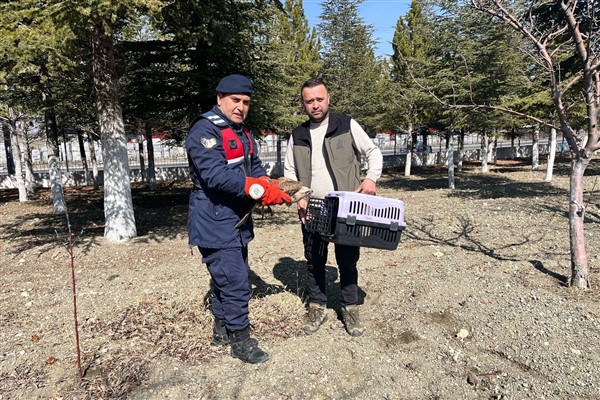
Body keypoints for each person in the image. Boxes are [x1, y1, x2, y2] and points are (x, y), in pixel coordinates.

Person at [186, 74, 291, 364]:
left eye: (245, 102)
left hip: (236, 217)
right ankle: (241, 341)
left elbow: (254, 164)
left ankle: (221, 330)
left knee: (227, 277)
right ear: (219, 98)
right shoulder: (204, 131)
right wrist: (257, 189)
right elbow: (214, 176)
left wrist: (267, 184)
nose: (240, 107)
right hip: (214, 217)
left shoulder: (241, 132)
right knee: (235, 282)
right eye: (235, 100)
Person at [284, 77, 383, 337]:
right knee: (314, 260)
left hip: (346, 207)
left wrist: (371, 178)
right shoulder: (297, 135)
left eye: (319, 99)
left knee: (348, 260)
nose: (315, 105)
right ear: (303, 103)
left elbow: (373, 152)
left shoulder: (346, 125)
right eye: (309, 101)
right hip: (312, 208)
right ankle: (317, 306)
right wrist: (299, 197)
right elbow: (289, 173)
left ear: (328, 98)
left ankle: (350, 307)